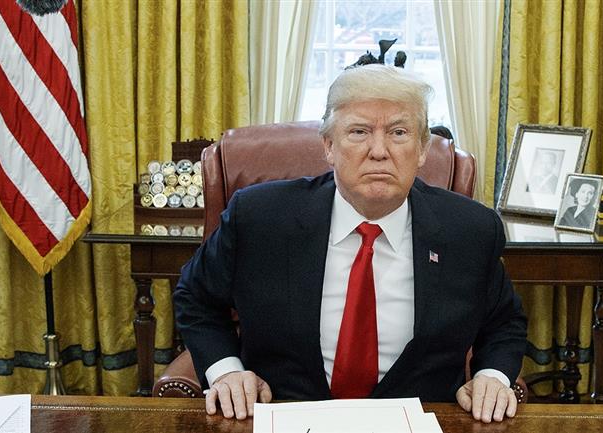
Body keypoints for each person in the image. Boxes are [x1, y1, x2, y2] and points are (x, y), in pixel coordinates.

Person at [173, 64, 527, 424]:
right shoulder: (260, 218)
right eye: (359, 132)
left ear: (422, 149)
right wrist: (227, 371)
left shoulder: (469, 230)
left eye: (399, 132)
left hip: (418, 420)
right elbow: (196, 297)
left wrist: (491, 376)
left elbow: (504, 322)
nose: (379, 151)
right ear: (329, 146)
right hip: (284, 415)